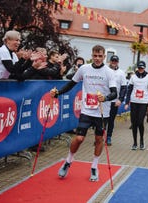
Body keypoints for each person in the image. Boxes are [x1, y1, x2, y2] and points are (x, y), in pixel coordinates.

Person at [50, 45, 117, 182]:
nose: (97, 59)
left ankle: (94, 166)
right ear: (91, 56)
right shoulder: (84, 69)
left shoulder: (109, 72)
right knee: (79, 138)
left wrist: (105, 98)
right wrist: (58, 93)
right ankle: (68, 161)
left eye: (100, 56)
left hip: (102, 112)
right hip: (86, 110)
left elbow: (114, 92)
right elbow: (71, 84)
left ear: (104, 57)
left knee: (99, 140)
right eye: (95, 56)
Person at [124, 61, 148, 150]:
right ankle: (135, 142)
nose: (141, 70)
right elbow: (129, 90)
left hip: (143, 102)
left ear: (144, 68)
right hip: (134, 102)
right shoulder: (133, 77)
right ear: (137, 68)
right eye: (139, 68)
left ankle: (141, 140)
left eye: (142, 68)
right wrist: (127, 102)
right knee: (134, 123)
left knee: (140, 122)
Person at [106, 55, 127, 146]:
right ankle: (99, 136)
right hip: (105, 99)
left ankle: (109, 136)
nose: (114, 63)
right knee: (102, 120)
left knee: (111, 120)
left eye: (115, 61)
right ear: (110, 61)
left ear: (117, 62)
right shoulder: (105, 70)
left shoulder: (121, 73)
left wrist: (120, 99)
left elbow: (123, 87)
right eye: (112, 61)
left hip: (114, 100)